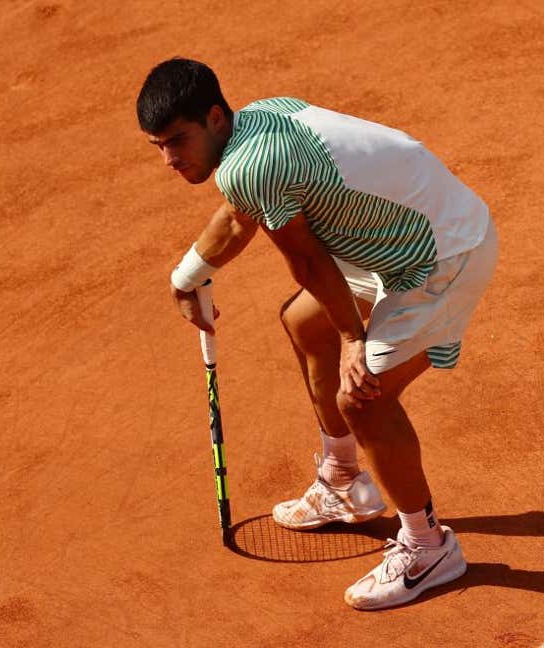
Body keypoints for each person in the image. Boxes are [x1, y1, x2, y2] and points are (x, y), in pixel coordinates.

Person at [137, 57, 497, 610]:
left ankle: (429, 548)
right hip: (392, 242)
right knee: (305, 321)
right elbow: (238, 218)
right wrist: (186, 277)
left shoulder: (252, 165)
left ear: (213, 118)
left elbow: (307, 262)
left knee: (363, 399)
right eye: (158, 145)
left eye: (177, 140)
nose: (169, 159)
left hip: (440, 255)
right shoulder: (258, 118)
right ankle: (345, 481)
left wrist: (354, 338)